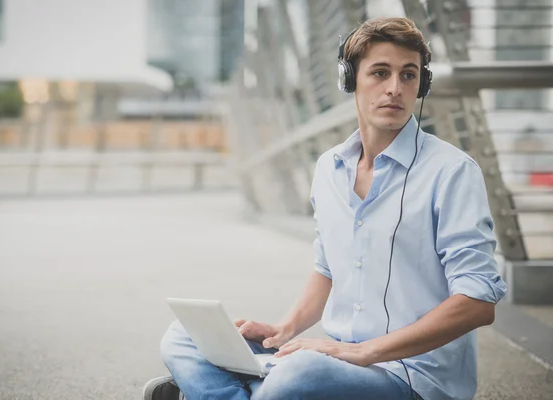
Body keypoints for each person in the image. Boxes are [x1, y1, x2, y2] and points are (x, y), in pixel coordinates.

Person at [144, 17, 506, 400]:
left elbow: (477, 302)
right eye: (380, 73)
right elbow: (328, 267)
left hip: (412, 376)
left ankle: (220, 391)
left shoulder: (452, 172)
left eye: (408, 75)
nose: (394, 89)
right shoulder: (329, 168)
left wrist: (360, 352)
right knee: (184, 336)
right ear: (349, 80)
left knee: (297, 376)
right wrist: (283, 330)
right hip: (337, 362)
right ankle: (250, 391)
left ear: (422, 84)